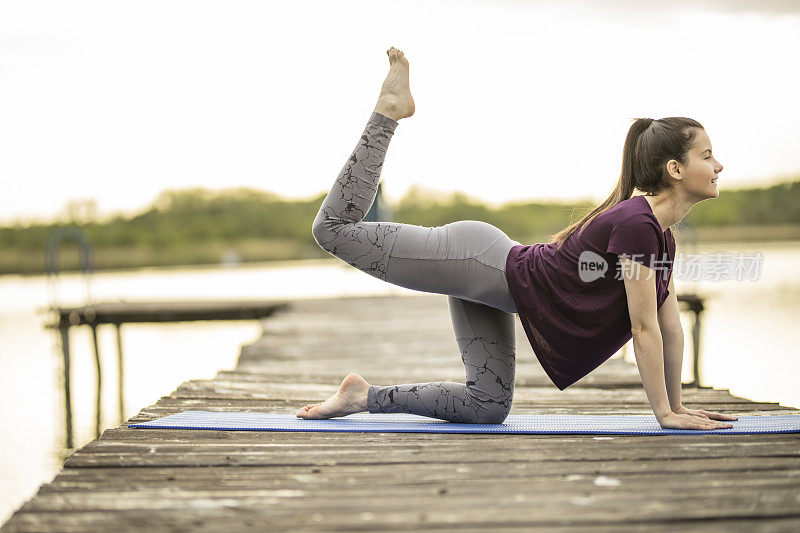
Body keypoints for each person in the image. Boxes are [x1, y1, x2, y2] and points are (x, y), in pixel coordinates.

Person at [296, 46, 738, 431]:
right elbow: (643, 329)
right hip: (476, 259)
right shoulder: (637, 225)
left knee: (486, 406)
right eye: (707, 155)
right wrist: (663, 413)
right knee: (332, 230)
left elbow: (669, 327)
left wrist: (678, 405)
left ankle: (362, 397)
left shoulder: (662, 237)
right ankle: (388, 111)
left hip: (496, 285)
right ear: (675, 169)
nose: (718, 165)